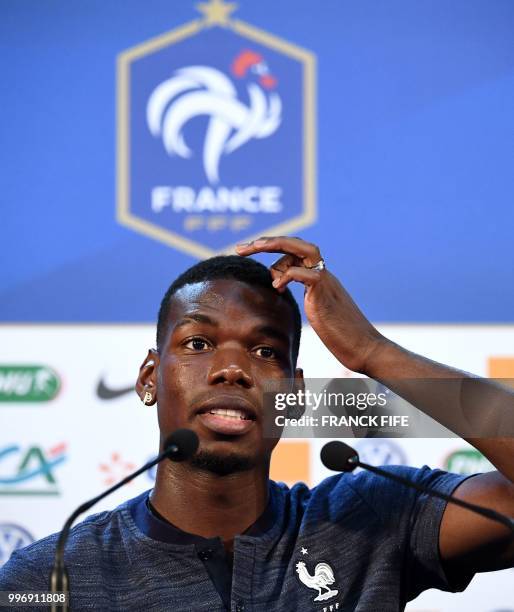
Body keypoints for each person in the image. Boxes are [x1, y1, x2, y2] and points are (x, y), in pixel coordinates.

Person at [1, 236, 513, 611]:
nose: (232, 369)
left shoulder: (368, 519)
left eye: (265, 350)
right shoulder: (49, 580)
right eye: (198, 344)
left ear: (293, 394)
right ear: (150, 378)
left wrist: (371, 352)